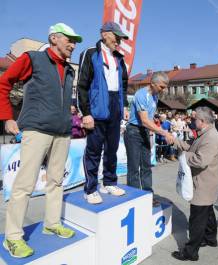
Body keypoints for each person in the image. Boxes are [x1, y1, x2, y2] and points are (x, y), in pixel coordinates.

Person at [0, 23, 82, 258]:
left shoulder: (69, 70)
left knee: (56, 181)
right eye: (69, 39)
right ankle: (12, 238)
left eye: (75, 41)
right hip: (36, 130)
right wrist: (7, 117)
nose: (73, 45)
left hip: (62, 132)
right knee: (25, 184)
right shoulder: (32, 58)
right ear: (54, 38)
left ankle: (52, 223)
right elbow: (3, 83)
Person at [77, 21, 129, 204]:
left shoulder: (119, 58)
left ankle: (109, 182)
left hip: (115, 105)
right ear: (105, 34)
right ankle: (90, 188)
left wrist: (124, 106)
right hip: (97, 107)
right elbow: (82, 86)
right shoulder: (90, 53)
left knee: (112, 148)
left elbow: (123, 84)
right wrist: (86, 113)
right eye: (117, 37)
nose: (119, 41)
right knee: (93, 150)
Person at [171, 107, 218, 261]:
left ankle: (191, 252)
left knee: (197, 219)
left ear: (203, 121)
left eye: (194, 119)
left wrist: (184, 156)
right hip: (206, 183)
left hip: (203, 184)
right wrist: (174, 141)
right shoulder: (205, 133)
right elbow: (191, 146)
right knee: (208, 212)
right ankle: (210, 239)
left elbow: (200, 160)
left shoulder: (211, 137)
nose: (192, 121)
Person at [124, 72, 173, 205]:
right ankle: (134, 197)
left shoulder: (155, 96)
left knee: (146, 166)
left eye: (165, 87)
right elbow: (144, 120)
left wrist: (151, 133)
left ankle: (147, 196)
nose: (164, 90)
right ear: (153, 83)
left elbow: (150, 119)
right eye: (162, 87)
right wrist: (164, 133)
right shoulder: (141, 95)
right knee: (134, 167)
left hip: (145, 132)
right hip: (133, 131)